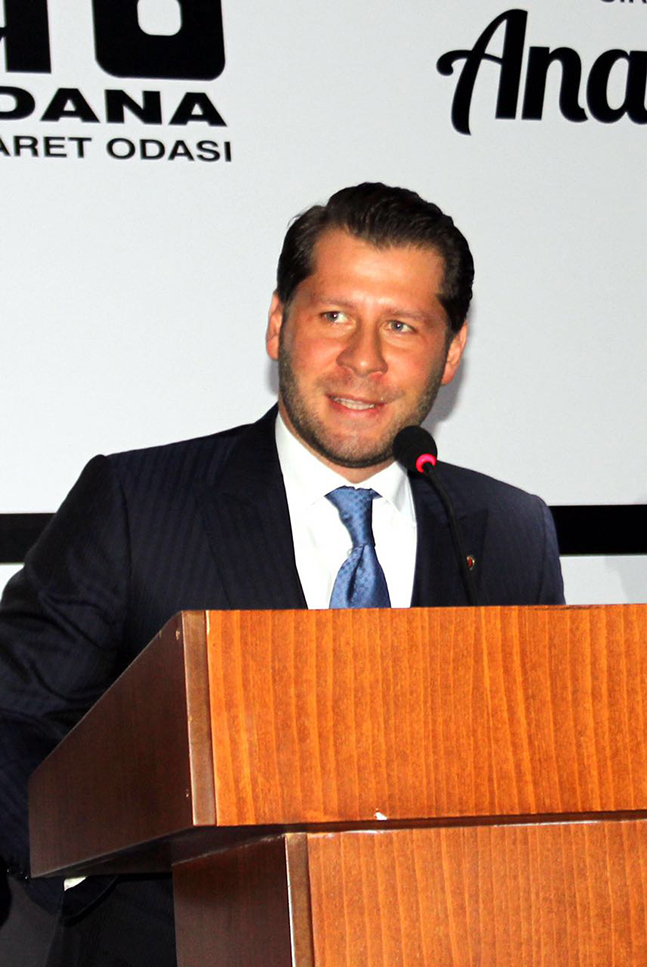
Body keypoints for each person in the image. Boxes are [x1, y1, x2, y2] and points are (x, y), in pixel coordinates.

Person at [0, 183, 564, 966]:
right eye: (333, 315)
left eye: (400, 325)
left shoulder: (507, 531)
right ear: (277, 324)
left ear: (451, 350)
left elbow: (539, 771)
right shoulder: (137, 502)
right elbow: (14, 719)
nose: (363, 359)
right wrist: (92, 858)